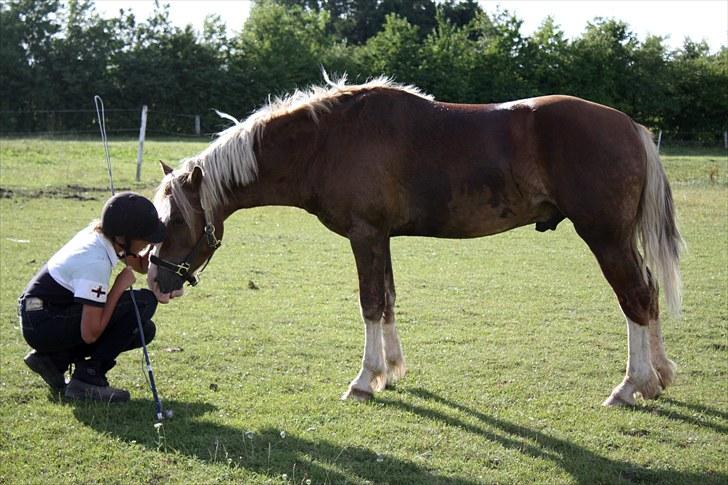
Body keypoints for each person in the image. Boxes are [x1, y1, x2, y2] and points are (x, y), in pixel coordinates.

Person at [18, 192, 166, 402]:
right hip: (44, 322)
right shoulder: (95, 260)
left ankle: (53, 360)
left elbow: (140, 264)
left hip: (41, 316)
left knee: (144, 330)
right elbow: (90, 334)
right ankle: (87, 379)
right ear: (124, 238)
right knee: (143, 302)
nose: (148, 244)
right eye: (145, 239)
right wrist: (118, 288)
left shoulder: (100, 236)